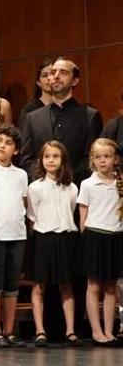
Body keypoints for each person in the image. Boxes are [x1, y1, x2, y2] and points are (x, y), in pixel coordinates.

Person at [26, 140, 80, 346]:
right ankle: (40, 330)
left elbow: (72, 211)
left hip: (65, 239)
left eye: (55, 156)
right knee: (39, 286)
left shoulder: (72, 188)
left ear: (63, 160)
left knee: (66, 286)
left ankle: (70, 331)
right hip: (43, 239)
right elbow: (32, 216)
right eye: (47, 156)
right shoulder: (35, 187)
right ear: (41, 160)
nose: (51, 160)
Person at [20, 57, 102, 184]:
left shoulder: (90, 116)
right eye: (53, 72)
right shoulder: (32, 118)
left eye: (63, 72)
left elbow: (91, 158)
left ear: (75, 81)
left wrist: (66, 179)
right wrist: (45, 180)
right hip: (41, 193)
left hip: (76, 192)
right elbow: (26, 159)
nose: (56, 76)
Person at [0, 125, 28, 347]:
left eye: (8, 143)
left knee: (12, 283)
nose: (2, 145)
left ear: (16, 150)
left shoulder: (21, 174)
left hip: (17, 234)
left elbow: (23, 202)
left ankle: (10, 330)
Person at [77, 138, 123, 346]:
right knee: (94, 285)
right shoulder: (88, 184)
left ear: (115, 159)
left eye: (107, 156)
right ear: (92, 161)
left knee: (111, 286)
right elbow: (83, 217)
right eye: (98, 157)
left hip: (115, 237)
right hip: (95, 236)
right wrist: (86, 238)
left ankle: (109, 330)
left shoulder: (120, 182)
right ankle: (96, 331)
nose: (102, 161)